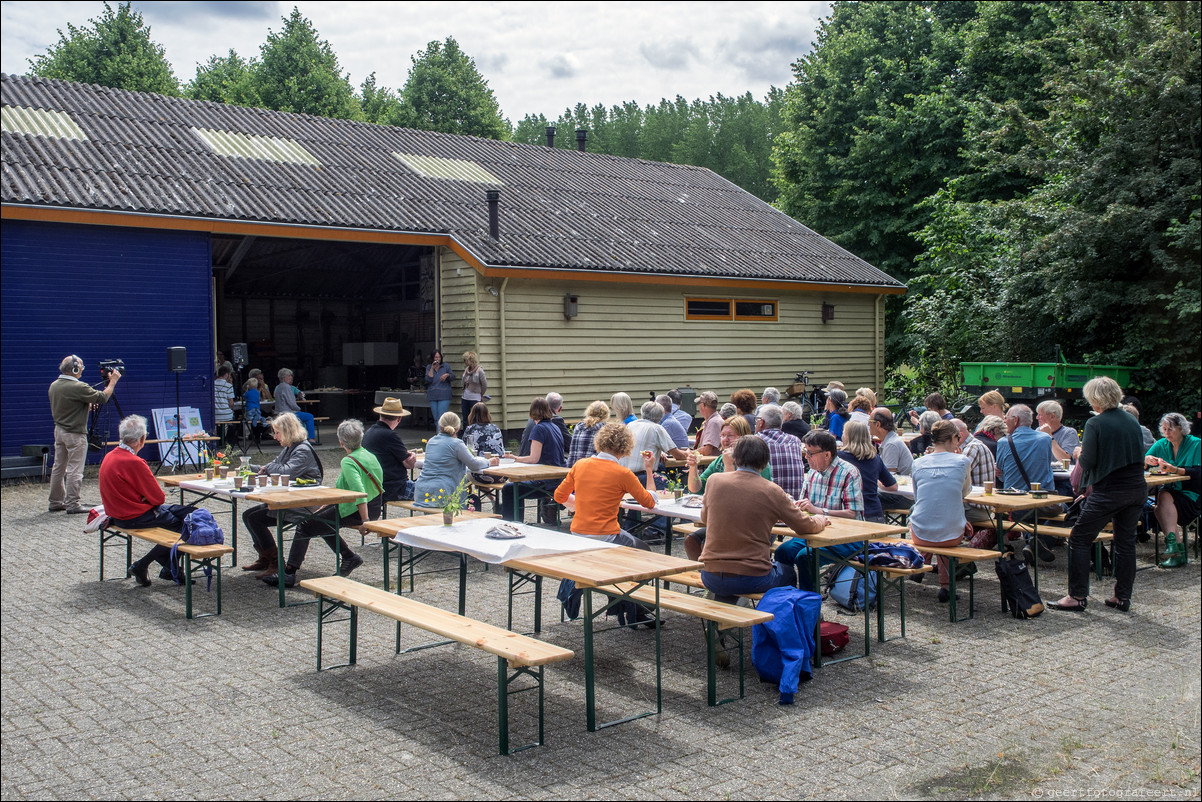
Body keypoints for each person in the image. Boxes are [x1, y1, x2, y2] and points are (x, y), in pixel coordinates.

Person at [1049, 378, 1148, 612]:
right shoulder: (1131, 420)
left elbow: (1089, 461)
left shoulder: (1096, 423)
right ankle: (1122, 597)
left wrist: (1079, 452)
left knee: (1079, 539)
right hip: (1136, 488)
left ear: (1094, 398)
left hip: (1109, 490)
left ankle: (1077, 596)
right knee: (1125, 543)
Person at [696, 436, 828, 603]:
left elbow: (705, 518)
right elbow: (805, 526)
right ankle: (781, 622)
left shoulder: (714, 480)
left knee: (732, 578)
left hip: (711, 575)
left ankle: (726, 620)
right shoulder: (771, 490)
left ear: (735, 459)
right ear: (765, 463)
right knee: (787, 573)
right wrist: (820, 519)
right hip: (751, 576)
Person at [553, 422, 660, 627]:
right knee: (646, 551)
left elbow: (559, 496)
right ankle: (637, 610)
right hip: (606, 536)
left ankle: (624, 605)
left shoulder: (580, 465)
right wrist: (648, 469)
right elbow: (650, 502)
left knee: (630, 551)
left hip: (579, 535)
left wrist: (579, 505)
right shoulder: (623, 473)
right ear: (625, 447)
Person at [263, 419, 377, 588]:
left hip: (357, 509)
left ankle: (289, 572)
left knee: (305, 525)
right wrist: (324, 507)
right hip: (371, 504)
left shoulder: (348, 461)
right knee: (319, 520)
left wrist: (365, 520)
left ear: (340, 442)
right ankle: (348, 556)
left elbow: (360, 493)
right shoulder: (369, 455)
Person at [100, 415, 197, 586]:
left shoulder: (110, 456)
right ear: (142, 439)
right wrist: (145, 497)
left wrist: (144, 497)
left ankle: (167, 568)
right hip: (133, 516)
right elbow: (159, 498)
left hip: (118, 513)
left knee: (192, 513)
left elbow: (152, 498)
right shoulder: (134, 462)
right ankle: (149, 566)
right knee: (187, 524)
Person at [774, 430, 865, 591]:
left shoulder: (849, 472)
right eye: (805, 452)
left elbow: (853, 514)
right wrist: (792, 507)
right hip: (817, 532)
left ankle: (810, 605)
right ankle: (786, 598)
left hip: (847, 537)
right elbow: (805, 507)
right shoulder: (812, 473)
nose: (806, 457)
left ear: (827, 454)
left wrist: (819, 511)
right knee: (783, 551)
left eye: (810, 453)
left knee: (805, 556)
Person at [240, 413, 323, 572]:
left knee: (254, 518)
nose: (275, 436)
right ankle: (266, 558)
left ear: (288, 431)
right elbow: (271, 466)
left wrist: (266, 469)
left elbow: (286, 472)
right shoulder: (290, 447)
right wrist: (248, 467)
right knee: (249, 516)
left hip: (302, 504)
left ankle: (276, 562)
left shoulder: (303, 449)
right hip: (289, 499)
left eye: (277, 433)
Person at [908, 420, 972, 602]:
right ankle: (946, 585)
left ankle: (921, 564)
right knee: (947, 529)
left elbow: (918, 495)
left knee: (927, 518)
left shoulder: (918, 463)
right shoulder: (962, 461)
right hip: (951, 534)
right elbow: (965, 493)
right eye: (958, 438)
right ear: (953, 438)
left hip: (920, 533)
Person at [48, 355, 120, 513]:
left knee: (58, 467)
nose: (82, 370)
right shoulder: (78, 387)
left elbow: (67, 404)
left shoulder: (54, 385)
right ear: (74, 369)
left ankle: (55, 501)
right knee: (75, 469)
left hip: (59, 431)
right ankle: (73, 503)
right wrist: (113, 381)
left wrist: (84, 406)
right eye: (81, 368)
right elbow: (102, 397)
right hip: (75, 433)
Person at [996, 404, 1060, 563]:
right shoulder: (1045, 439)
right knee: (1067, 511)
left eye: (1007, 418)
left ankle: (1031, 543)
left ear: (1016, 420)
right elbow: (1046, 466)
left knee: (998, 515)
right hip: (1042, 504)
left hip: (1014, 508)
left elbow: (1002, 475)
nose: (1004, 421)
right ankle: (1038, 542)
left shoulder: (1004, 442)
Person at [415, 411, 499, 509]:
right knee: (473, 501)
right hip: (444, 493)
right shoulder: (457, 444)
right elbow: (474, 464)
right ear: (458, 428)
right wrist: (489, 462)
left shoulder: (431, 441)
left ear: (440, 427)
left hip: (422, 492)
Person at [502, 399, 566, 521]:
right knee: (514, 488)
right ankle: (517, 521)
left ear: (532, 412)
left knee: (509, 489)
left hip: (545, 482)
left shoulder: (539, 429)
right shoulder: (555, 427)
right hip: (558, 479)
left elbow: (533, 458)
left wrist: (514, 458)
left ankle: (513, 524)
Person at [1145, 412, 1201, 548]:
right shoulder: (1162, 444)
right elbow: (1144, 461)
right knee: (1162, 498)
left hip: (1192, 494)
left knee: (1159, 508)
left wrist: (1174, 469)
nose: (1166, 433)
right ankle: (1176, 547)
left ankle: (1175, 547)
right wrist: (1146, 460)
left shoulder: (1196, 444)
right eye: (1164, 429)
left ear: (1181, 428)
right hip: (1172, 490)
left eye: (1170, 429)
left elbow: (1198, 473)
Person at [685, 415, 771, 494]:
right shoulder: (720, 461)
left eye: (730, 435)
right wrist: (693, 467)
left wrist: (729, 465)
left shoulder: (756, 461)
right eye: (722, 435)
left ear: (743, 437)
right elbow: (696, 490)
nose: (725, 440)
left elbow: (734, 496)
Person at [837, 420, 897, 524]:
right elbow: (893, 486)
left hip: (848, 514)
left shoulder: (838, 458)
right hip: (874, 513)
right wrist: (875, 482)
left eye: (843, 433)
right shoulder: (875, 459)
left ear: (847, 436)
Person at [953, 418, 999, 545]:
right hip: (980, 506)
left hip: (978, 508)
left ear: (959, 435)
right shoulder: (973, 445)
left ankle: (950, 557)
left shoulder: (972, 448)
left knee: (939, 512)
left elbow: (954, 477)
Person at [362, 397, 417, 502]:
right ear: (399, 418)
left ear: (380, 414)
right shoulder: (390, 435)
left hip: (374, 486)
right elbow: (409, 464)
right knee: (438, 494)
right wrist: (413, 457)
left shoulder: (369, 433)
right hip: (394, 488)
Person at [618, 401, 686, 477]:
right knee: (677, 487)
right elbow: (678, 455)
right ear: (661, 416)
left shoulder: (631, 425)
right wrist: (690, 453)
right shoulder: (656, 428)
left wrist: (660, 453)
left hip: (623, 475)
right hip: (642, 475)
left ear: (642, 412)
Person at [754, 404, 807, 499]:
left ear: (761, 422)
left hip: (769, 504)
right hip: (795, 503)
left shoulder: (755, 442)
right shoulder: (795, 441)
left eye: (756, 420)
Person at [872, 407, 914, 512]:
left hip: (904, 496)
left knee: (867, 496)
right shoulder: (889, 440)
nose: (868, 425)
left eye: (870, 421)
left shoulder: (891, 444)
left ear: (878, 424)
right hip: (899, 492)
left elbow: (887, 480)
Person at [463, 402, 506, 484]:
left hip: (480, 475)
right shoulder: (496, 428)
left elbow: (465, 452)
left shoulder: (470, 429)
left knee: (465, 472)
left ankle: (469, 495)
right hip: (502, 474)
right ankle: (488, 492)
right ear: (487, 414)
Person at [274, 368, 315, 441]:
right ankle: (311, 438)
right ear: (283, 378)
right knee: (309, 416)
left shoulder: (279, 387)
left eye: (291, 376)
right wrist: (298, 408)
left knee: (303, 417)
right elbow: (291, 404)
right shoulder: (287, 387)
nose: (291, 377)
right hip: (288, 413)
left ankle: (301, 437)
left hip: (280, 412)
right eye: (289, 376)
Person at [567, 401, 610, 466]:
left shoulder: (578, 427)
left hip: (572, 469)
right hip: (590, 470)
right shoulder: (603, 429)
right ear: (606, 415)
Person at [425, 350, 454, 423]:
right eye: (436, 357)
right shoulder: (429, 367)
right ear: (433, 358)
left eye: (439, 357)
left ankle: (440, 433)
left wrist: (447, 375)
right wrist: (432, 368)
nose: (438, 359)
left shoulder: (445, 366)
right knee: (436, 418)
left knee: (441, 417)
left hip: (444, 395)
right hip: (433, 395)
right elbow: (428, 380)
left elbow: (453, 377)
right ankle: (438, 432)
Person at [460, 351, 487, 422]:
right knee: (465, 418)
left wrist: (481, 394)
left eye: (465, 360)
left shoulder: (479, 371)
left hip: (475, 398)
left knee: (474, 418)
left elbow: (484, 384)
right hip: (465, 397)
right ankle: (466, 432)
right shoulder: (466, 370)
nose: (464, 362)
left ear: (471, 360)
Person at [694, 391, 723, 456]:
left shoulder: (714, 422)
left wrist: (690, 453)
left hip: (710, 464)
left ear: (703, 405)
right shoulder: (713, 421)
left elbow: (707, 451)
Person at [214, 365, 236, 443]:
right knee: (234, 423)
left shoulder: (212, 384)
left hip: (215, 414)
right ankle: (229, 443)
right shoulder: (229, 386)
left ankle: (219, 441)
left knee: (219, 426)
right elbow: (231, 403)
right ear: (226, 374)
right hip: (226, 414)